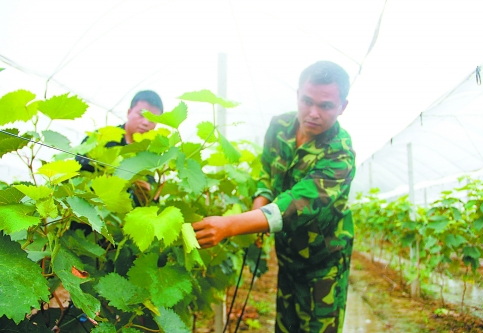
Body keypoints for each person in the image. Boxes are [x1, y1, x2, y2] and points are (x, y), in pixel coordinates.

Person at [193, 61, 356, 333]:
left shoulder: (340, 154)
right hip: (288, 257)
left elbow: (294, 204)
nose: (313, 113)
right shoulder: (279, 127)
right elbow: (267, 177)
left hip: (322, 264)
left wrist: (230, 225)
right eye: (307, 101)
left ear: (342, 107)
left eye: (325, 106)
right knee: (285, 326)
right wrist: (259, 206)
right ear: (298, 94)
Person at [76, 90, 164, 206]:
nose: (146, 122)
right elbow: (78, 172)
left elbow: (151, 197)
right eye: (141, 114)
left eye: (153, 119)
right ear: (129, 112)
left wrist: (148, 193)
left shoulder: (152, 156)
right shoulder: (102, 139)